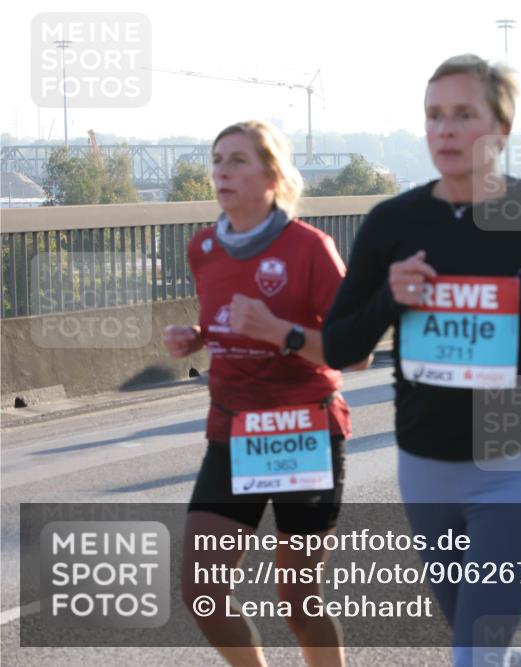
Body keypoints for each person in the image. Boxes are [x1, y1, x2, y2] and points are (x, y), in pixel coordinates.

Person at [322, 54, 521, 667]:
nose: (447, 130)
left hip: (518, 449)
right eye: (435, 116)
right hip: (426, 459)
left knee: (474, 652)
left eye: (465, 114)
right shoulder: (393, 222)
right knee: (478, 636)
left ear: (501, 131)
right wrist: (390, 296)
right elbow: (338, 346)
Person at [165, 120, 367, 667]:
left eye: (236, 161)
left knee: (299, 602)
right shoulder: (203, 246)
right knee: (202, 592)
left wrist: (282, 333)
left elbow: (357, 352)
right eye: (216, 160)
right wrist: (199, 336)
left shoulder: (310, 248)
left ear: (272, 176)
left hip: (304, 431)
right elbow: (230, 318)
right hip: (233, 429)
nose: (221, 172)